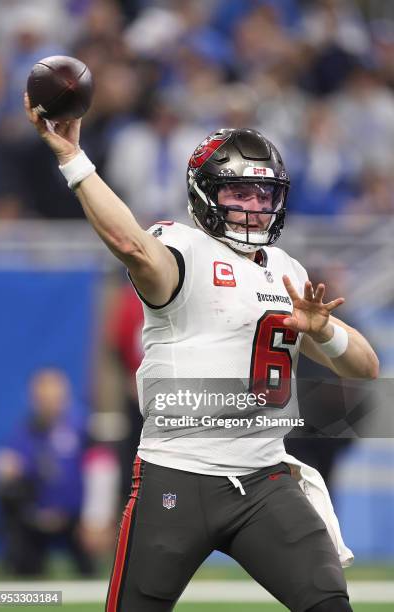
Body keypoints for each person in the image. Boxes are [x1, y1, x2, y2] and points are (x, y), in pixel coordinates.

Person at [25, 94, 378, 612]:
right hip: (178, 475)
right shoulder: (183, 247)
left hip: (264, 481)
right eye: (239, 191)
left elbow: (366, 368)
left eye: (264, 195)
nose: (254, 206)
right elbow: (130, 245)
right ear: (205, 194)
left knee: (328, 605)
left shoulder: (287, 270)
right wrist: (73, 160)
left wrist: (323, 332)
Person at [0, 368, 95, 576]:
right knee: (6, 489)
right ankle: (20, 565)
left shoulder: (83, 429)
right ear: (34, 399)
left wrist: (94, 517)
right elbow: (7, 465)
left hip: (76, 518)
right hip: (36, 517)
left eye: (55, 396)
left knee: (90, 570)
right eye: (43, 397)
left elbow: (99, 472)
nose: (50, 403)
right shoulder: (24, 432)